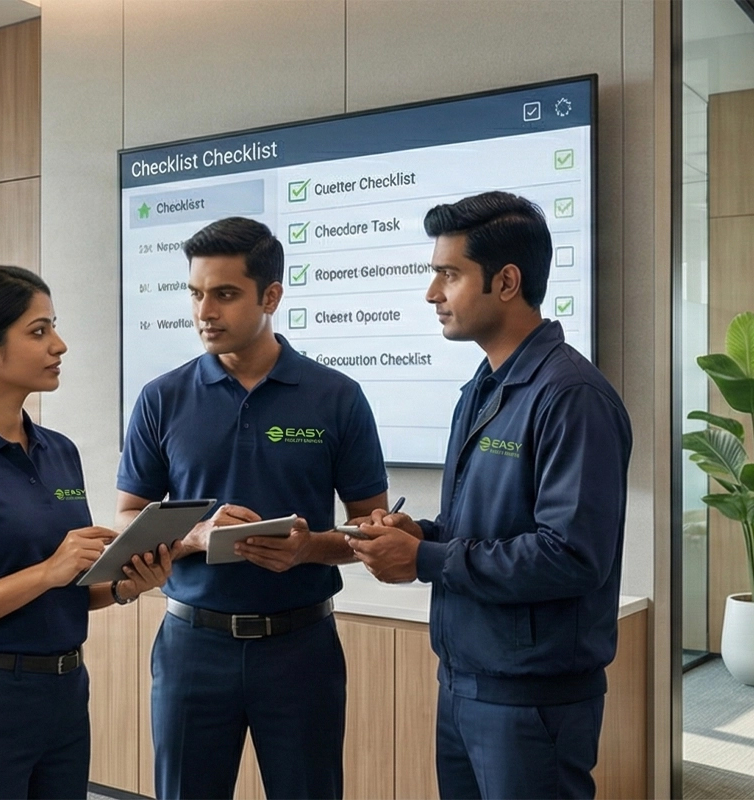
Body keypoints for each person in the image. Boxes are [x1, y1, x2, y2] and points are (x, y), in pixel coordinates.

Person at [349, 192, 632, 800]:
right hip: (464, 680)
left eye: (448, 275)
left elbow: (571, 556)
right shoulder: (480, 389)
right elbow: (477, 522)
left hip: (532, 697)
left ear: (506, 281)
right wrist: (421, 533)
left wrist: (423, 560)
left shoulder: (571, 396)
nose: (432, 294)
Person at [117, 218, 389, 800]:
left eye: (225, 294)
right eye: (195, 293)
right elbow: (126, 522)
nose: (204, 311)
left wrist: (308, 549)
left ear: (271, 296)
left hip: (301, 650)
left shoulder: (337, 396)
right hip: (192, 646)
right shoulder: (161, 398)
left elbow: (373, 531)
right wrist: (193, 537)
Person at [0, 266, 172, 799]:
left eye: (54, 328)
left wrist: (122, 584)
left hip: (65, 695)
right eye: (38, 331)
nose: (59, 345)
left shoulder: (59, 451)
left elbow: (68, 586)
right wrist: (48, 571)